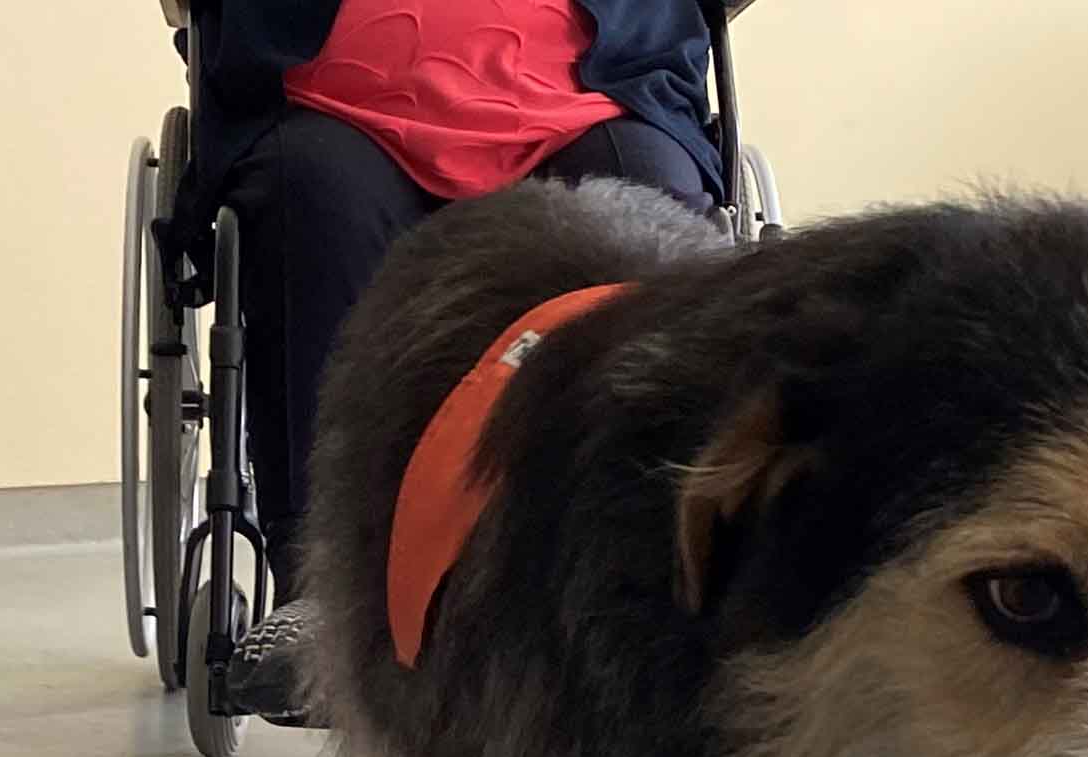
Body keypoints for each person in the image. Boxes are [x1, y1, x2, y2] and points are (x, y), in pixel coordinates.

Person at [157, 0, 736, 717]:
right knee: (308, 199)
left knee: (653, 214)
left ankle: (661, 581)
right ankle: (319, 588)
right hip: (334, 106)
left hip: (594, 99)